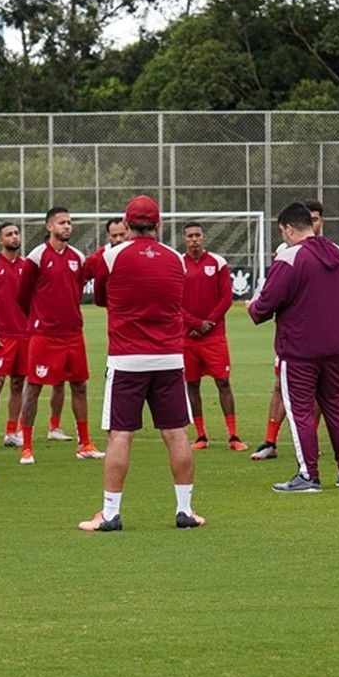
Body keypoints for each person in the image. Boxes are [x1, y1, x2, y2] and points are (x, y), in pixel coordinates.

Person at [79, 195, 203, 531]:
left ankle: (111, 513)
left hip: (127, 360)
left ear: (126, 223)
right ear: (159, 223)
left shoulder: (111, 255)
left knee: (120, 436)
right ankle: (185, 510)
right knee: (177, 434)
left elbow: (101, 297)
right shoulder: (177, 260)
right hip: (169, 358)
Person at [248, 201, 339, 492]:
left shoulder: (291, 257)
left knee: (300, 411)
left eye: (283, 231)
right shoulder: (338, 253)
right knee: (336, 406)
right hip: (335, 345)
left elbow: (265, 306)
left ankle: (308, 475)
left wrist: (253, 307)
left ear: (289, 228)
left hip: (299, 348)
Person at [16, 206, 104, 464]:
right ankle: (27, 446)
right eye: (62, 222)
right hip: (44, 335)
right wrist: (39, 319)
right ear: (49, 227)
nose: (67, 226)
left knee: (80, 386)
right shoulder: (36, 256)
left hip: (73, 334)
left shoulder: (77, 256)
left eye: (69, 222)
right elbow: (23, 295)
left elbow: (76, 290)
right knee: (33, 387)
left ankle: (84, 443)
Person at [250, 198, 325, 461]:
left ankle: (306, 446)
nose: (313, 224)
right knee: (279, 387)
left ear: (320, 222)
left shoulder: (331, 251)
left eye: (316, 219)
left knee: (320, 394)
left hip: (316, 338)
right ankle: (270, 441)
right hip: (293, 336)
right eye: (309, 219)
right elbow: (273, 288)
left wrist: (257, 309)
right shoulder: (285, 251)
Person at [181, 221, 247, 452]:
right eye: (190, 236)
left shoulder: (218, 263)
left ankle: (233, 435)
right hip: (188, 336)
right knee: (192, 384)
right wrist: (195, 324)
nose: (194, 239)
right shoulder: (178, 264)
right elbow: (174, 301)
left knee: (223, 382)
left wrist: (208, 323)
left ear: (204, 237)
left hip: (214, 335)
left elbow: (226, 298)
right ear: (184, 239)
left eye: (198, 235)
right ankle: (201, 436)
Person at [0, 222, 29, 450]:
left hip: (24, 334)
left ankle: (11, 431)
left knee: (18, 384)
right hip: (1, 335)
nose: (14, 237)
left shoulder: (27, 266)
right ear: (0, 240)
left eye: (16, 233)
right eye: (9, 234)